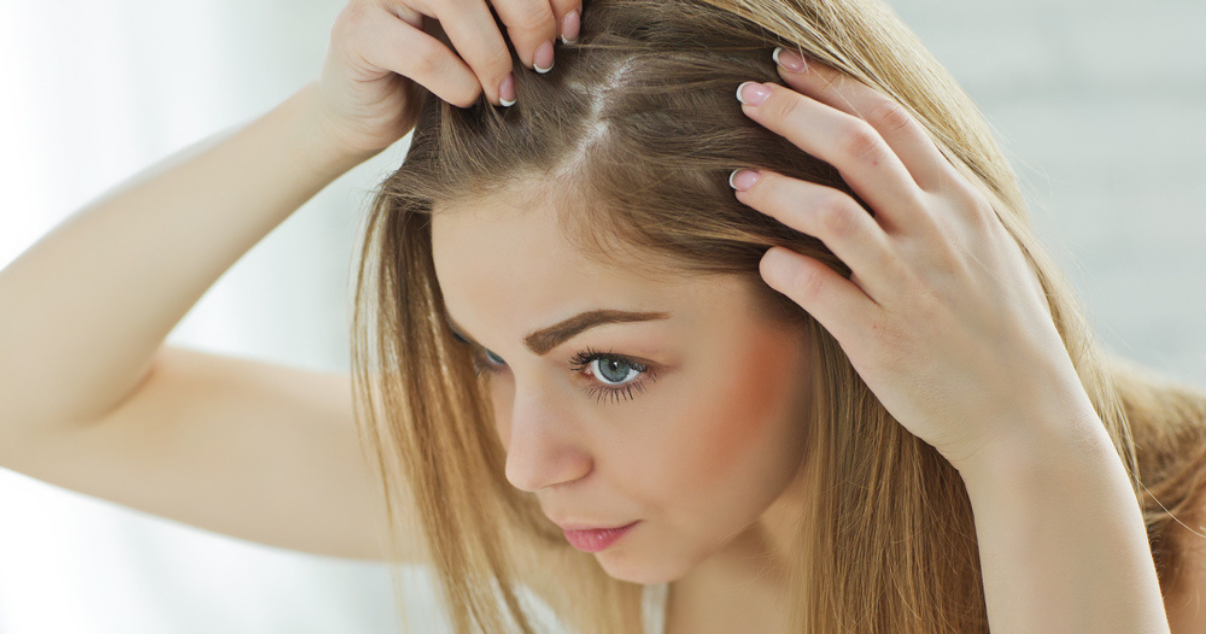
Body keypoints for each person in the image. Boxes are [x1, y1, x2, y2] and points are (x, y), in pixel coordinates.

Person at [1, 0, 1203, 632]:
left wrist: (1027, 441)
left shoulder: (1182, 521)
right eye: (484, 354)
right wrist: (324, 124)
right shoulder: (608, 528)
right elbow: (30, 397)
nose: (530, 458)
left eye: (612, 364)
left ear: (855, 294)